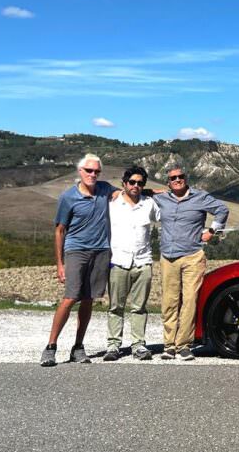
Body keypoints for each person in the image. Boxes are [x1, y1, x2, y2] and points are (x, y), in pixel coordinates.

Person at [40, 154, 118, 367]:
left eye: (96, 171)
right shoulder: (68, 197)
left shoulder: (105, 189)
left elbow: (130, 191)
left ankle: (78, 347)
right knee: (70, 297)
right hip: (76, 251)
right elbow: (59, 230)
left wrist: (158, 192)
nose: (93, 174)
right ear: (80, 171)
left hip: (101, 251)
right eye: (89, 170)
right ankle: (51, 346)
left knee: (89, 299)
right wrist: (60, 263)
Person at [154, 163, 228, 361]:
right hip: (168, 257)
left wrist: (212, 231)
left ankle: (184, 345)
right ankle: (169, 345)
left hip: (192, 256)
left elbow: (222, 209)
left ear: (186, 178)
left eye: (180, 176)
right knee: (169, 302)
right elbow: (140, 192)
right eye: (173, 178)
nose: (177, 180)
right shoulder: (161, 198)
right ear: (168, 182)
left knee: (189, 301)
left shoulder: (200, 197)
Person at [103, 166, 159, 361]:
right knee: (115, 307)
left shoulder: (149, 204)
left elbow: (166, 218)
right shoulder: (111, 203)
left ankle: (138, 345)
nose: (136, 186)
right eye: (132, 182)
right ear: (124, 183)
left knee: (139, 307)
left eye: (140, 183)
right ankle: (113, 345)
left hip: (143, 262)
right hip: (118, 261)